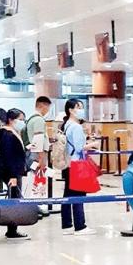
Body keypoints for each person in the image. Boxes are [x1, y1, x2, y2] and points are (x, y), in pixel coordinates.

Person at [61, 98, 98, 236]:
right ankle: (80, 226)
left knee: (68, 195)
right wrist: (92, 145)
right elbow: (79, 148)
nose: (81, 110)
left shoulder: (67, 125)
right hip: (77, 164)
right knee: (79, 195)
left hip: (68, 163)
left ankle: (67, 225)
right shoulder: (76, 127)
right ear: (71, 110)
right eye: (78, 107)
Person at [0, 109, 31, 241]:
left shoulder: (12, 133)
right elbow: (9, 156)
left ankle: (13, 228)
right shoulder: (8, 135)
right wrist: (12, 175)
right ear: (11, 120)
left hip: (15, 171)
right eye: (20, 119)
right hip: (12, 172)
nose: (22, 122)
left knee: (15, 197)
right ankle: (12, 230)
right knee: (14, 199)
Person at [23, 96, 52, 170]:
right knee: (38, 175)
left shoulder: (31, 119)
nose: (48, 110)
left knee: (32, 175)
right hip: (37, 156)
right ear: (42, 106)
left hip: (32, 153)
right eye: (48, 107)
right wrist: (41, 159)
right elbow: (38, 140)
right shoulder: (39, 120)